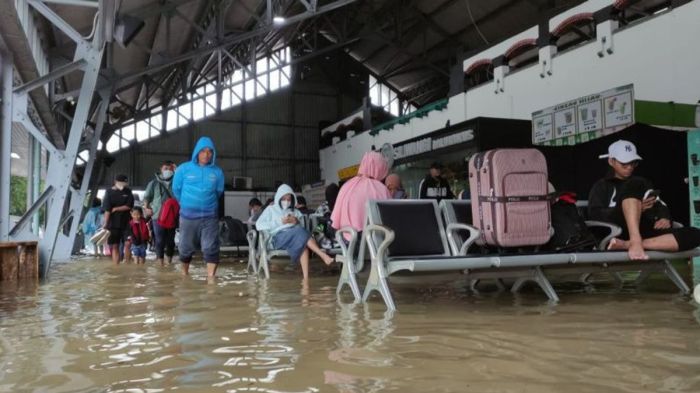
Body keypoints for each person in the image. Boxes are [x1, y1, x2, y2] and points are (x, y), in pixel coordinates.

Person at [588, 140, 700, 260]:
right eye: (624, 164)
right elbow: (595, 215)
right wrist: (633, 210)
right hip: (616, 232)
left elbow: (658, 203)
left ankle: (631, 244)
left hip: (643, 232)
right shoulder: (601, 186)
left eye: (633, 163)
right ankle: (634, 241)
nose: (629, 167)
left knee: (695, 234)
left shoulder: (642, 183)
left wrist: (664, 217)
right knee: (634, 184)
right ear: (611, 161)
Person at [255, 184, 335, 280]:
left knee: (303, 245)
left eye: (289, 199)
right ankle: (322, 255)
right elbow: (258, 225)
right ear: (278, 198)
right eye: (284, 198)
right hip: (277, 238)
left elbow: (300, 228)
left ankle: (306, 278)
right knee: (301, 234)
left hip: (294, 236)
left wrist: (296, 222)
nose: (286, 201)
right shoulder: (270, 210)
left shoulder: (295, 211)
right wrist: (279, 222)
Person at [173, 136, 225, 277]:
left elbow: (219, 191)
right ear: (197, 151)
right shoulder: (183, 169)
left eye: (210, 152)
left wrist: (208, 203)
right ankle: (185, 275)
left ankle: (211, 280)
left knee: (211, 247)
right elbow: (176, 190)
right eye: (203, 151)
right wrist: (186, 204)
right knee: (185, 247)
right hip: (188, 217)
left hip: (210, 216)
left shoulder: (217, 172)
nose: (206, 155)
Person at [332, 151, 392, 235]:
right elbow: (390, 220)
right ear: (380, 168)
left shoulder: (346, 186)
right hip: (375, 243)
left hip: (346, 241)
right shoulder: (381, 189)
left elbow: (335, 221)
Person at [143, 161, 177, 266]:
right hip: (157, 216)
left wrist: (177, 170)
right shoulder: (153, 183)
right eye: (165, 168)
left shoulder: (177, 181)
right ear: (161, 169)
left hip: (172, 216)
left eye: (170, 168)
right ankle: (160, 262)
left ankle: (169, 260)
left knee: (171, 240)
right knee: (159, 239)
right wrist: (146, 208)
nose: (167, 170)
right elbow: (147, 197)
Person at [102, 174, 135, 264]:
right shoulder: (109, 192)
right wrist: (105, 224)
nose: (124, 184)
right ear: (116, 182)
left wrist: (116, 208)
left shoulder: (128, 191)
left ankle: (127, 263)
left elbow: (129, 206)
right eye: (122, 182)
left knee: (128, 243)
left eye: (125, 182)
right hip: (113, 223)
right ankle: (116, 266)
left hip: (126, 222)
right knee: (115, 245)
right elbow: (107, 209)